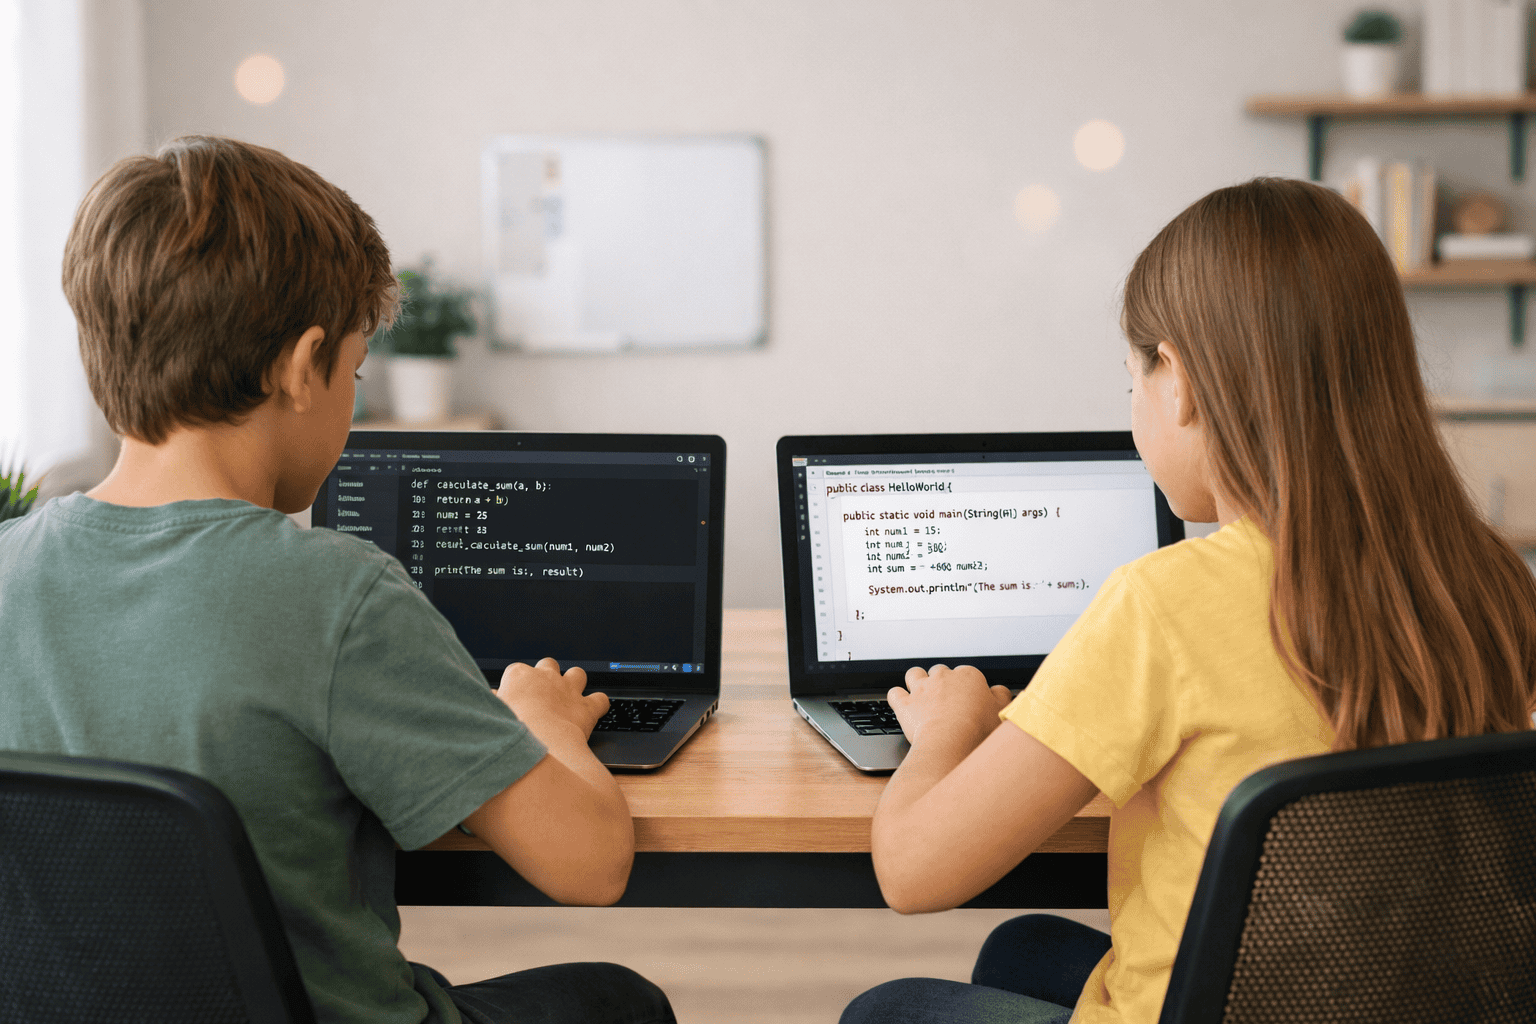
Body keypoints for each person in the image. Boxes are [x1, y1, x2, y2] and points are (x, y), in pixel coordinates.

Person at [0, 135, 675, 1024]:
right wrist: (541, 723)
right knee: (617, 999)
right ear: (301, 365)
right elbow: (590, 864)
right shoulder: (336, 596)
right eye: (355, 372)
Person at [841, 177, 1536, 1024]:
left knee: (892, 1007)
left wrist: (944, 733)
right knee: (1021, 945)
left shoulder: (1166, 603)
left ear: (1178, 380)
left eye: (1131, 379)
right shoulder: (1492, 580)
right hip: (1391, 999)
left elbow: (912, 871)